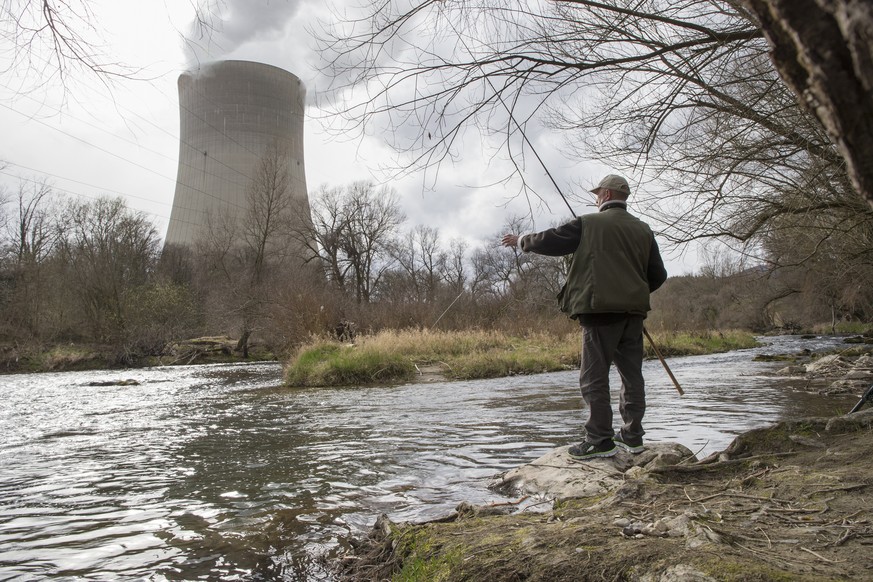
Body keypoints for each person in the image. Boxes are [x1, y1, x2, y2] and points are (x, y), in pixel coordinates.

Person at [501, 175, 667, 461]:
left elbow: (551, 241)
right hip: (634, 314)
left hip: (599, 311)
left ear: (605, 193)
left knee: (593, 377)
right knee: (632, 376)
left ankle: (600, 440)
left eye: (596, 194)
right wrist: (630, 293)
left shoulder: (588, 224)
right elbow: (658, 275)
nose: (595, 198)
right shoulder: (644, 230)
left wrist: (521, 241)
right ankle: (632, 437)